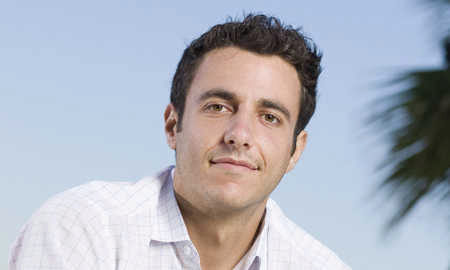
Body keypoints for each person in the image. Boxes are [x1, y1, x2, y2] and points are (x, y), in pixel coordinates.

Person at [9, 14, 350, 270]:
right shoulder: (81, 229)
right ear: (173, 125)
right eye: (218, 107)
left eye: (270, 117)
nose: (240, 135)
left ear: (295, 151)